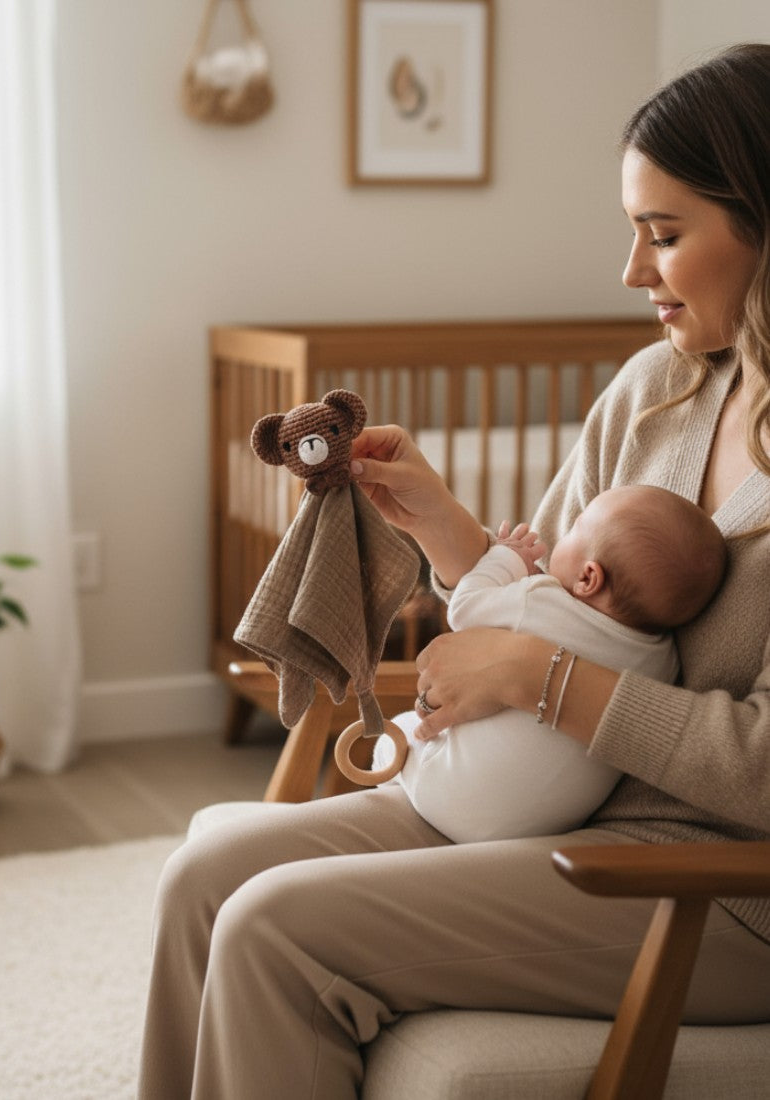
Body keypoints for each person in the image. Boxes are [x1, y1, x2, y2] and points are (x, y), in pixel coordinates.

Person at [137, 43, 770, 1100]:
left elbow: (570, 673)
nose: (630, 271)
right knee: (203, 878)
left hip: (709, 883)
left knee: (272, 929)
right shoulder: (654, 393)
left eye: (663, 235)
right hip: (542, 804)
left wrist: (539, 682)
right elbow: (544, 599)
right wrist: (437, 519)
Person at [376, 485, 727, 843]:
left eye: (575, 527)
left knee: (399, 733)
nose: (563, 533)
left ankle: (385, 759)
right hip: (537, 831)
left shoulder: (540, 600)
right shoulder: (663, 663)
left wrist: (506, 560)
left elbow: (465, 609)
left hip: (445, 795)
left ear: (589, 578)